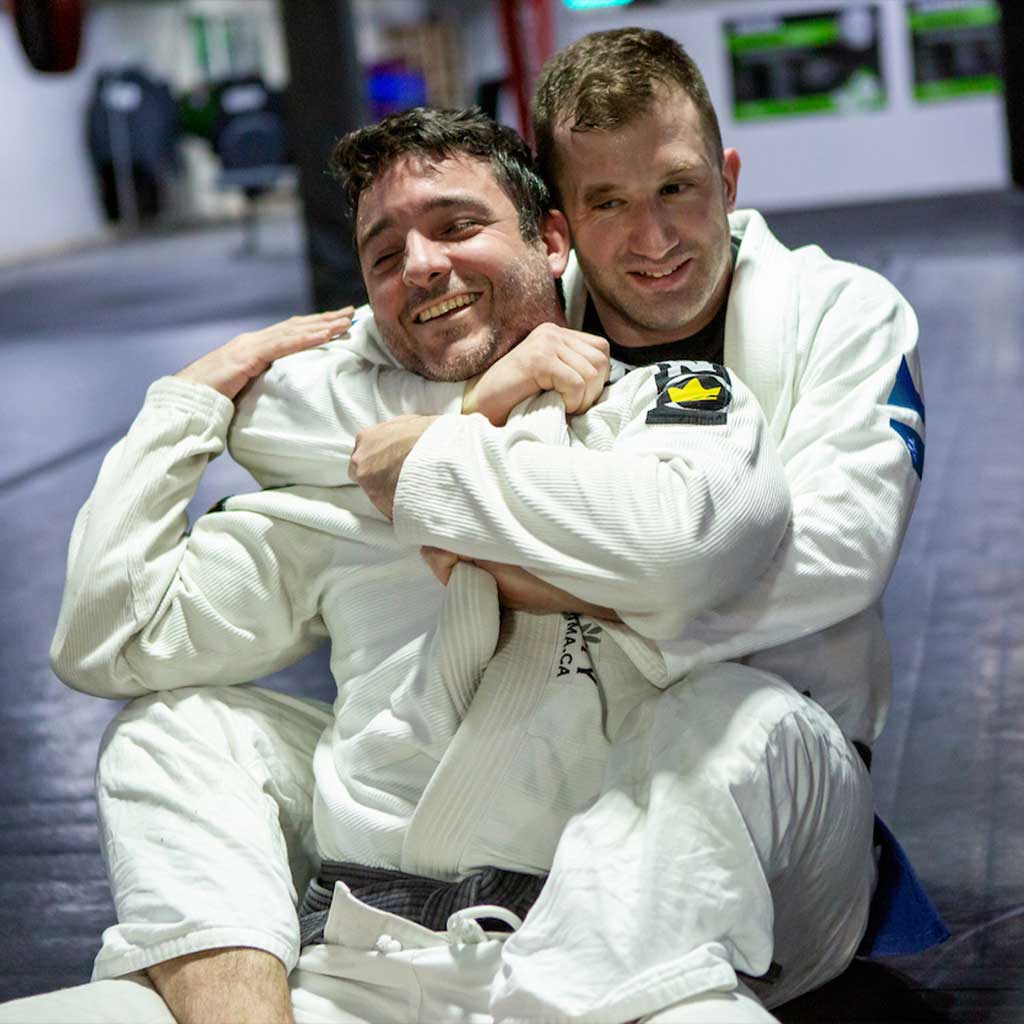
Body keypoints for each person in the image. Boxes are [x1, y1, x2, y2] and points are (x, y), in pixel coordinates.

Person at [2, 107, 823, 1024]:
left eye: (459, 226)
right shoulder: (341, 485)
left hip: (612, 972)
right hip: (351, 968)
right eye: (384, 254)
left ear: (554, 242)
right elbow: (110, 644)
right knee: (171, 727)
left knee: (749, 717)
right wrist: (185, 403)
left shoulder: (662, 409)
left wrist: (438, 455)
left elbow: (685, 550)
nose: (421, 265)